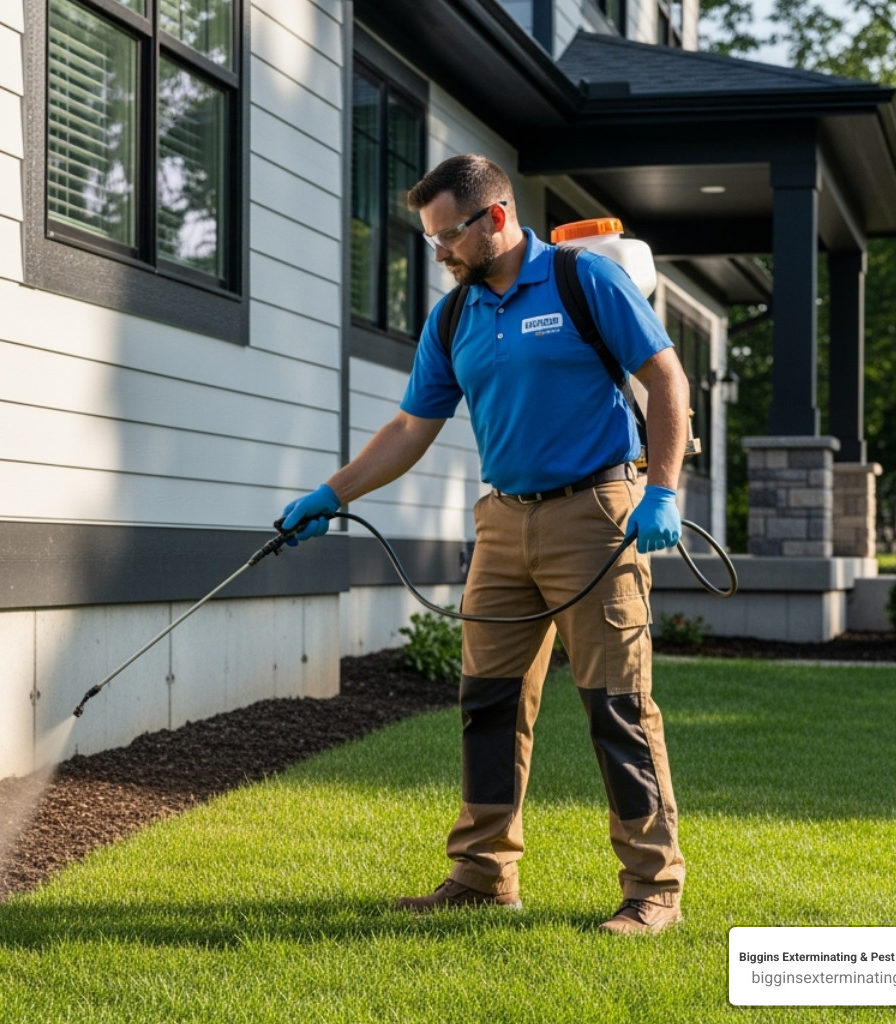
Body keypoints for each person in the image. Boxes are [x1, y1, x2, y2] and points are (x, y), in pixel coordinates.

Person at [280, 155, 690, 935]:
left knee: (618, 706)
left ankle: (652, 888)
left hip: (596, 513)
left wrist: (662, 490)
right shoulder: (454, 316)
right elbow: (410, 428)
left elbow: (667, 381)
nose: (438, 253)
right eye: (432, 239)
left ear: (495, 217)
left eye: (446, 237)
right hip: (501, 523)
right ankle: (482, 873)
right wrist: (332, 495)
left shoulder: (581, 282)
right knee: (489, 703)